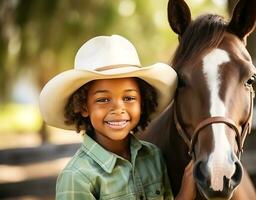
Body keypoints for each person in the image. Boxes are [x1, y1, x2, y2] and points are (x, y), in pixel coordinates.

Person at [39, 35, 196, 200]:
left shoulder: (153, 157)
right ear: (83, 106)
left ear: (142, 102)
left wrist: (186, 189)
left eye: (129, 98)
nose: (118, 109)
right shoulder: (77, 177)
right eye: (103, 100)